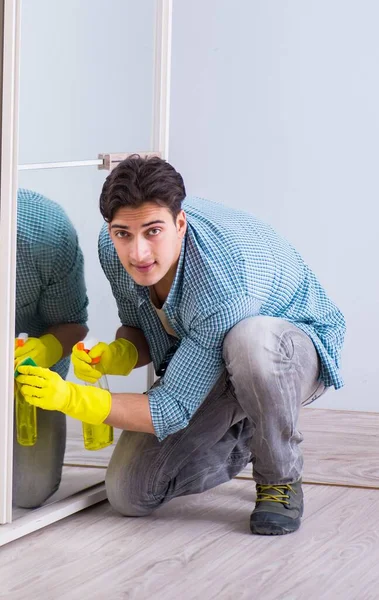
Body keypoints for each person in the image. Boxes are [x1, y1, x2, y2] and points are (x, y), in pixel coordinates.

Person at [16, 157, 345, 535]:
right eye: (123, 233)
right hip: (216, 355)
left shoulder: (222, 283)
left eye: (153, 232)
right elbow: (140, 328)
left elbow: (170, 407)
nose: (138, 253)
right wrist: (118, 355)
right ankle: (250, 430)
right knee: (129, 493)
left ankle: (279, 476)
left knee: (249, 341)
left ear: (180, 224)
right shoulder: (115, 249)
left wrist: (71, 399)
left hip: (287, 352)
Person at [14, 188, 88, 508]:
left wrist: (44, 349)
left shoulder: (47, 231)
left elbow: (73, 325)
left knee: (28, 490)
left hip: (27, 383)